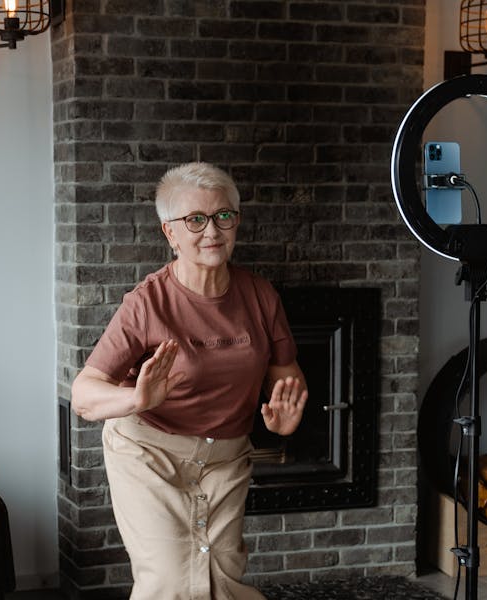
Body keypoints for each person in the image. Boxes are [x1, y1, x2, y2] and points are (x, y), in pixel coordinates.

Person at [71, 162, 308, 599]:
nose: (212, 231)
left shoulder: (260, 295)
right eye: (195, 220)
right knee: (171, 582)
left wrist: (284, 419)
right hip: (149, 453)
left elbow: (286, 375)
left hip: (226, 458)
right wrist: (137, 397)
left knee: (222, 579)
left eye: (223, 216)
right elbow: (84, 395)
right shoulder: (146, 304)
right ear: (170, 233)